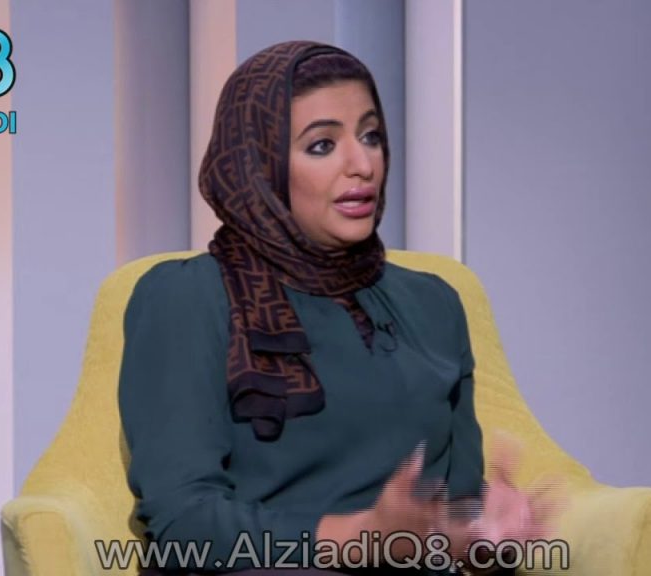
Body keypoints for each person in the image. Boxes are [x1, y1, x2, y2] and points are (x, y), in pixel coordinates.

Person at [119, 40, 557, 576]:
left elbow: (451, 516)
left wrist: (483, 535)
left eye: (371, 137)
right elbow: (184, 521)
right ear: (260, 165)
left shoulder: (435, 304)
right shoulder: (186, 296)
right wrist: (359, 536)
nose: (362, 164)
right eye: (322, 145)